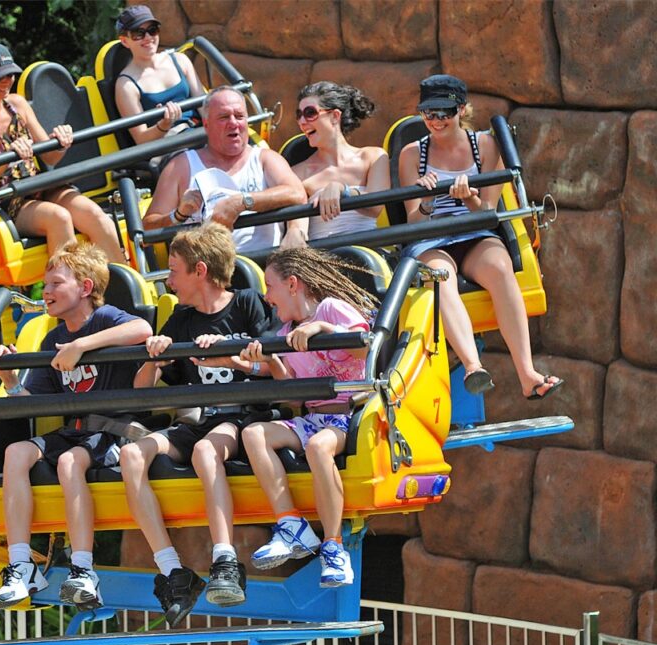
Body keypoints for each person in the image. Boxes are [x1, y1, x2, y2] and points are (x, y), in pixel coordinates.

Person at [119, 222, 276, 626]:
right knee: (132, 455)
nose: (167, 279)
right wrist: (152, 358)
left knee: (207, 450)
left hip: (242, 418)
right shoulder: (181, 320)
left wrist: (231, 359)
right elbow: (142, 393)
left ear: (200, 271)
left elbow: (277, 369)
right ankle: (173, 569)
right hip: (198, 421)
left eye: (173, 270)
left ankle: (225, 560)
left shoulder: (247, 304)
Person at [0, 243, 152, 610]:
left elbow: (142, 328)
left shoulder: (107, 319)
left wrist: (82, 346)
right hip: (74, 430)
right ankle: (20, 564)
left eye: (55, 284)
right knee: (16, 452)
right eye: (44, 285)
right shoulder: (50, 339)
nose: (45, 293)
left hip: (112, 432)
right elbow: (32, 401)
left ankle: (83, 569)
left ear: (86, 288)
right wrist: (10, 379)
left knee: (68, 462)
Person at [398, 74, 563, 400]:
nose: (436, 121)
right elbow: (413, 218)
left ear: (461, 109)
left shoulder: (485, 146)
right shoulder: (410, 155)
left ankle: (527, 374)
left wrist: (468, 197)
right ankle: (473, 368)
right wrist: (429, 201)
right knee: (439, 277)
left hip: (473, 231)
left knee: (500, 268)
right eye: (429, 114)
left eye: (444, 112)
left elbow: (486, 210)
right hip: (431, 237)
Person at [237, 247, 376, 587]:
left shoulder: (330, 308)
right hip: (313, 415)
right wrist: (270, 361)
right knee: (254, 434)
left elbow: (363, 347)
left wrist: (321, 329)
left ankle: (334, 546)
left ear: (293, 284)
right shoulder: (285, 332)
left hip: (348, 415)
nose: (267, 297)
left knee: (317, 447)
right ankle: (291, 524)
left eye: (270, 286)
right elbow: (294, 394)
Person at [0, 43, 126, 263]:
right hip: (9, 199)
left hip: (40, 186)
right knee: (59, 218)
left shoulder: (18, 105)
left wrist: (60, 142)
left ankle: (128, 285)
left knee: (94, 214)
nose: (6, 82)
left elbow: (50, 157)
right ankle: (71, 290)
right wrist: (10, 156)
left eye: (10, 75)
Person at [143, 86, 307, 254]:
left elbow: (297, 193)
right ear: (206, 125)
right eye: (223, 117)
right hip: (204, 270)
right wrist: (178, 215)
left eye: (239, 116)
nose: (233, 123)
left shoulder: (265, 158)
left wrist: (242, 202)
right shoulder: (181, 166)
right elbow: (147, 230)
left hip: (261, 266)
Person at [283, 82, 390, 249]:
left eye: (310, 113)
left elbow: (375, 208)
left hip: (369, 252)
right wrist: (295, 232)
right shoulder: (297, 173)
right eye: (299, 115)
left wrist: (343, 190)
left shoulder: (374, 157)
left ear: (334, 116)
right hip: (324, 258)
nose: (302, 121)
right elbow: (298, 225)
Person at [113, 5, 204, 144]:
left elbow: (204, 106)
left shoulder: (180, 60)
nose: (148, 37)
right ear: (125, 41)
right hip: (168, 145)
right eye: (139, 33)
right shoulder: (126, 85)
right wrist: (164, 125)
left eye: (152, 30)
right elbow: (141, 139)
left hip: (201, 133)